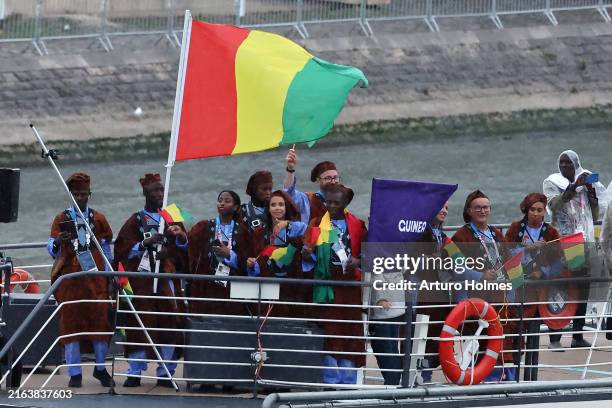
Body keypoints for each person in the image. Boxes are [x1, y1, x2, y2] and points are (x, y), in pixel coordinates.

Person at [113, 173, 188, 388]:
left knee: (169, 322)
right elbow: (121, 249)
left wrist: (176, 243)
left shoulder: (172, 218)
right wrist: (145, 244)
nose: (159, 194)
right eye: (155, 190)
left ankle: (165, 372)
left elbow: (184, 248)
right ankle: (135, 371)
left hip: (166, 280)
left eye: (161, 190)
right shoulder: (135, 220)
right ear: (145, 193)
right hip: (143, 282)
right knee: (140, 323)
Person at [48, 173, 114, 388]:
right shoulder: (61, 219)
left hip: (95, 279)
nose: (80, 197)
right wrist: (58, 241)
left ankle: (101, 368)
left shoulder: (99, 218)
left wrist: (110, 273)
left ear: (89, 195)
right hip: (71, 280)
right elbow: (50, 248)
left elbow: (106, 247)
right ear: (70, 195)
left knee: (100, 322)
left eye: (83, 194)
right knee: (70, 324)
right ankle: (74, 373)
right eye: (76, 194)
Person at [303, 184, 367, 385]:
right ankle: (330, 381)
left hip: (350, 289)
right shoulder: (316, 224)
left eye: (335, 203)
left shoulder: (357, 224)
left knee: (349, 333)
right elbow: (307, 260)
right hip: (327, 288)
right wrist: (307, 254)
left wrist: (358, 261)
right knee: (329, 334)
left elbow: (369, 255)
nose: (330, 206)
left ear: (346, 203)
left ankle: (348, 381)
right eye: (328, 202)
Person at [452, 190, 516, 382]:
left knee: (501, 339)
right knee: (478, 340)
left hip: (500, 298)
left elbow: (509, 262)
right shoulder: (460, 237)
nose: (482, 210)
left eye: (486, 207)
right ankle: (478, 379)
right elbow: (455, 268)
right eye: (478, 207)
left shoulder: (496, 234)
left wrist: (511, 290)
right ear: (469, 211)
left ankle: (502, 378)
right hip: (475, 300)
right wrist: (480, 276)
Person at [543, 150, 605, 349]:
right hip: (564, 240)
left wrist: (591, 190)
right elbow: (553, 205)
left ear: (576, 164)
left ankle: (577, 336)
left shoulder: (587, 180)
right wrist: (574, 187)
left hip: (585, 239)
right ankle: (555, 338)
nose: (564, 167)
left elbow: (597, 212)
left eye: (568, 163)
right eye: (561, 163)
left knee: (583, 286)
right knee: (561, 285)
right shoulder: (552, 182)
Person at [505, 193, 564, 360]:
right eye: (532, 210)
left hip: (541, 288)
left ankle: (531, 372)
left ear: (545, 212)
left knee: (534, 329)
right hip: (518, 285)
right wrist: (527, 248)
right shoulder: (515, 228)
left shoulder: (551, 232)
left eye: (540, 210)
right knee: (515, 326)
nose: (536, 214)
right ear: (526, 210)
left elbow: (559, 262)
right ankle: (515, 364)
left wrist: (543, 272)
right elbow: (505, 254)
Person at [187, 191, 251, 316]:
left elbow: (247, 260)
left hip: (232, 286)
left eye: (227, 201)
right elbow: (189, 245)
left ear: (236, 207)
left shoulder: (243, 231)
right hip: (207, 284)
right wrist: (181, 236)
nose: (222, 203)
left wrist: (230, 254)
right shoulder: (204, 226)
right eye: (220, 200)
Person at [246, 190, 308, 317]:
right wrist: (251, 265)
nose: (277, 208)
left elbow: (310, 231)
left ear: (286, 207)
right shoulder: (259, 233)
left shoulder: (296, 228)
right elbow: (258, 266)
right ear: (268, 209)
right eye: (273, 205)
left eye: (281, 204)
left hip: (292, 288)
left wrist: (287, 223)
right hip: (268, 289)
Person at [415, 201, 454, 383]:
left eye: (447, 208)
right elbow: (413, 259)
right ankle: (417, 374)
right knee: (421, 331)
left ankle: (427, 373)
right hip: (423, 291)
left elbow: (457, 259)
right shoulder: (420, 233)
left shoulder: (443, 236)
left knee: (436, 333)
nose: (444, 211)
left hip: (441, 291)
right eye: (441, 206)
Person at [284, 148, 340, 223]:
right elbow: (289, 194)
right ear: (318, 180)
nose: (333, 182)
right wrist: (290, 169)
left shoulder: (341, 203)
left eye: (335, 178)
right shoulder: (308, 200)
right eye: (328, 178)